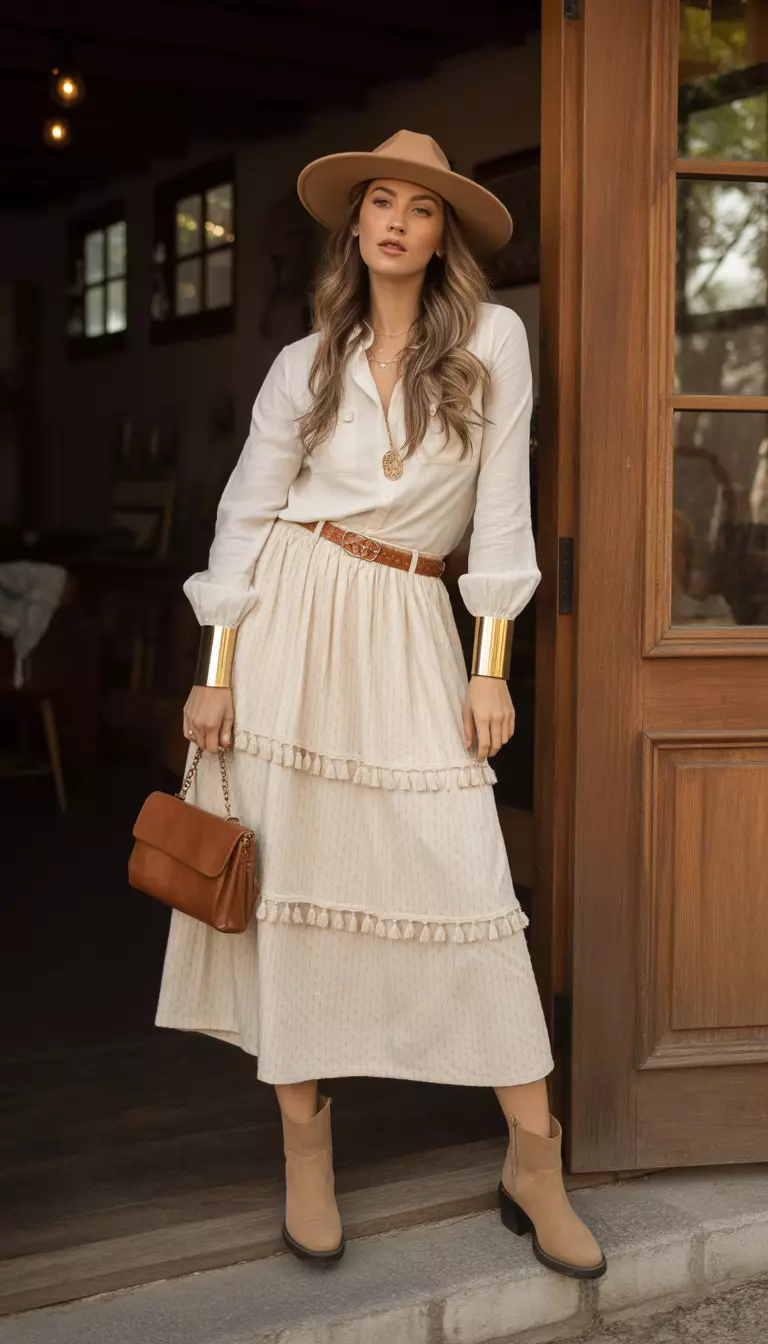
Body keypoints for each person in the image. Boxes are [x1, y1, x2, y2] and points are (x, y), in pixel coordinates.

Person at [156, 130, 607, 1281]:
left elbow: (502, 509)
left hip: (411, 625)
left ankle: (535, 1159)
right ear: (355, 226)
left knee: (467, 878)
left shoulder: (496, 342)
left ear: (444, 232)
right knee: (289, 890)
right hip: (289, 630)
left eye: (421, 206)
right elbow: (244, 521)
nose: (398, 220)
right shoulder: (302, 364)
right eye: (380, 203)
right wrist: (214, 675)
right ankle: (305, 1145)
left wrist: (491, 654)